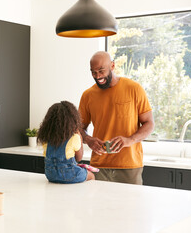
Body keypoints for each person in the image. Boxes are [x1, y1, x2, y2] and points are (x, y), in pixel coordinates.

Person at [78, 51, 155, 185]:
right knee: (98, 206)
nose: (98, 76)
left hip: (129, 166)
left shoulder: (134, 89)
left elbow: (149, 123)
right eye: (93, 72)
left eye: (101, 71)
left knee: (131, 206)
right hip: (98, 166)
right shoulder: (88, 95)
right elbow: (78, 127)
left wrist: (130, 140)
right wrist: (87, 139)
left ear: (112, 66)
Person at [37, 101, 95, 184]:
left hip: (51, 175)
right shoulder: (74, 137)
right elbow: (79, 158)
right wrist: (79, 135)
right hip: (70, 174)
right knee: (91, 175)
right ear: (73, 120)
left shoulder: (46, 138)